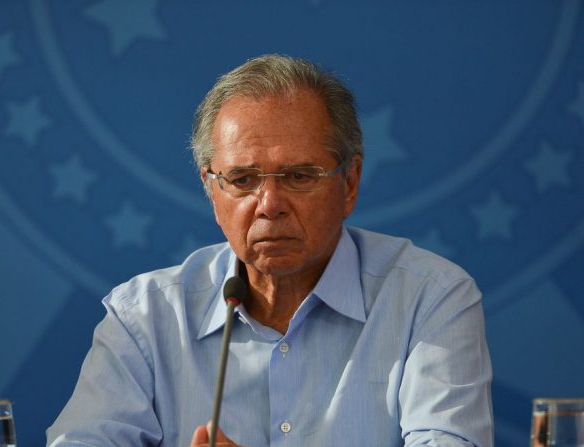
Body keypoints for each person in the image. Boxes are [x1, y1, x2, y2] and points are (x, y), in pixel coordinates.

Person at [46, 54, 493, 446]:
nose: (270, 205)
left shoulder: (428, 298)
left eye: (299, 176)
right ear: (211, 190)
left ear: (349, 183)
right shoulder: (143, 317)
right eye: (243, 180)